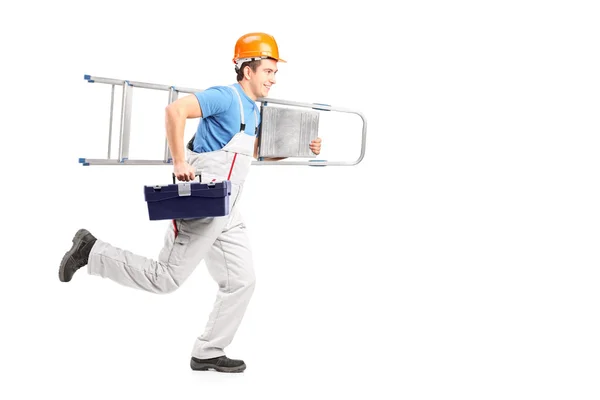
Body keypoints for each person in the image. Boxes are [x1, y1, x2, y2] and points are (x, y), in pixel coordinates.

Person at [58, 32, 322, 373]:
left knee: (242, 281)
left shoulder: (254, 111)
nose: (273, 78)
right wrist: (179, 161)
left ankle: (209, 351)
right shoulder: (224, 97)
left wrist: (301, 149)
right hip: (204, 200)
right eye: (268, 71)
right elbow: (175, 110)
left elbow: (255, 152)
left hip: (229, 207)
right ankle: (91, 250)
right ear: (247, 70)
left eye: (275, 72)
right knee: (164, 278)